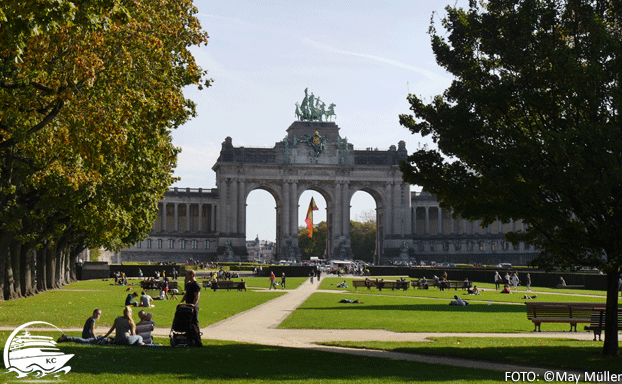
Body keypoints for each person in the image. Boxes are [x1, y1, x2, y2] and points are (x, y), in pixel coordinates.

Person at [180, 269, 202, 347]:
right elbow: (186, 294)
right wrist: (181, 301)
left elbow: (197, 296)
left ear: (192, 275)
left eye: (187, 275)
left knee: (195, 322)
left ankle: (198, 340)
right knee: (188, 322)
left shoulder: (196, 285)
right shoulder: (189, 284)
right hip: (188, 305)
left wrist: (194, 305)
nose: (186, 277)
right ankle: (189, 339)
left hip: (193, 306)